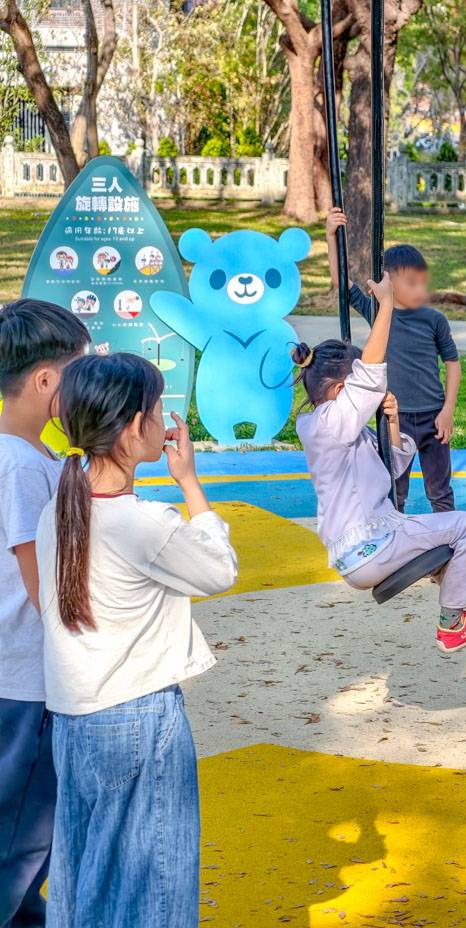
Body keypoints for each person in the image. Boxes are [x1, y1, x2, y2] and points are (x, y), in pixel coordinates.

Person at [36, 353, 238, 927]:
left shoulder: (62, 507)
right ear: (132, 427)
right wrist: (190, 481)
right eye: (155, 409)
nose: (162, 420)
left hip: (76, 717)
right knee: (156, 890)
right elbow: (219, 569)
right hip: (139, 715)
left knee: (86, 881)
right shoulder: (143, 522)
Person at [294, 272, 466, 654]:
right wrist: (386, 306)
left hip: (368, 548)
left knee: (452, 549)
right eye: (354, 386)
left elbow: (392, 469)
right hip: (370, 546)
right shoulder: (327, 425)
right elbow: (370, 375)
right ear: (342, 390)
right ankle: (453, 623)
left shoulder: (343, 433)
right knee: (465, 525)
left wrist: (391, 422)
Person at [0, 299, 89, 928]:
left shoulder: (35, 460)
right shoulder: (21, 467)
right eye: (77, 373)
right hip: (27, 684)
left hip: (21, 681)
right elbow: (46, 592)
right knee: (21, 843)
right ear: (46, 381)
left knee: (27, 853)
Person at [326, 209, 459, 514]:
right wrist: (330, 236)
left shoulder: (434, 319)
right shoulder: (379, 313)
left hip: (433, 418)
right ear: (389, 283)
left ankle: (451, 546)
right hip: (393, 419)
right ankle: (397, 547)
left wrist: (448, 410)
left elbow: (452, 362)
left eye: (422, 283)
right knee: (394, 494)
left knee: (440, 492)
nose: (420, 290)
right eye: (411, 283)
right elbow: (341, 282)